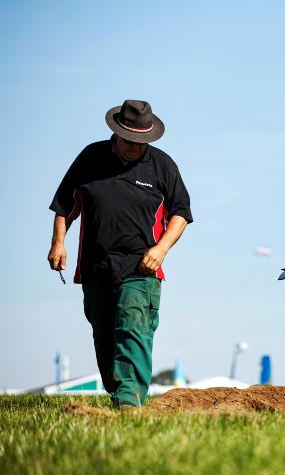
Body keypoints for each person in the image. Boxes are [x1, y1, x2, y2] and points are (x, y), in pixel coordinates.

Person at [47, 100, 193, 409]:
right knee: (103, 335)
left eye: (143, 142)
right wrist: (58, 243)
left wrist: (161, 248)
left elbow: (181, 213)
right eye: (130, 140)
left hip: (142, 267)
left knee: (132, 329)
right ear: (116, 133)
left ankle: (130, 402)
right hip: (95, 266)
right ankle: (120, 393)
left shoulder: (162, 165)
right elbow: (64, 205)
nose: (135, 147)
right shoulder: (91, 158)